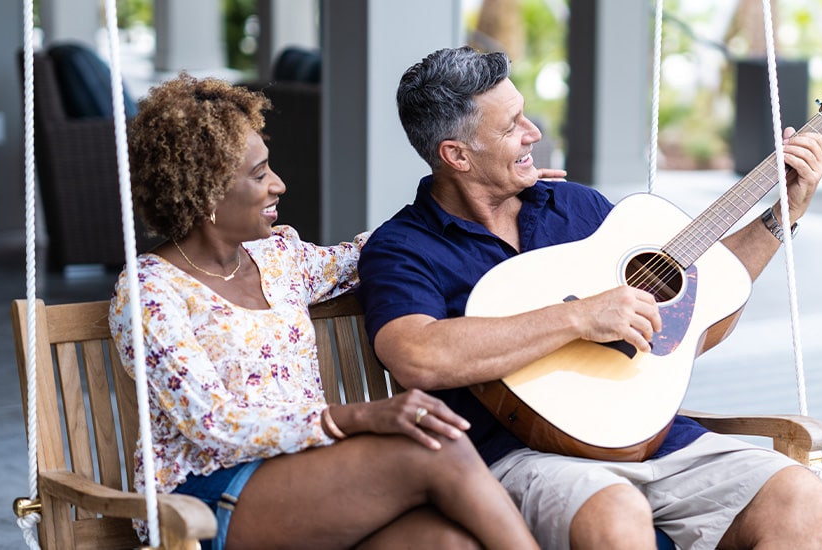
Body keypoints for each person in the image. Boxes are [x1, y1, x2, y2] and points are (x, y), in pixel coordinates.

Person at [357, 46, 822, 550]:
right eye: (511, 126)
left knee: (799, 496)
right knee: (616, 509)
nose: (533, 133)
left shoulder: (575, 206)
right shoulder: (405, 247)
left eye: (525, 114)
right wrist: (578, 317)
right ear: (457, 155)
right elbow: (416, 354)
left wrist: (781, 215)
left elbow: (703, 281)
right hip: (520, 456)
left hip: (655, 441)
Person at [109, 73, 539, 550]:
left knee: (446, 542)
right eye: (259, 175)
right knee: (438, 446)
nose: (278, 184)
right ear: (204, 191)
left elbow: (383, 249)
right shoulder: (150, 291)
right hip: (203, 501)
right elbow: (214, 426)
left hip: (311, 474)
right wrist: (356, 418)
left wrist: (494, 195)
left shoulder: (277, 259)